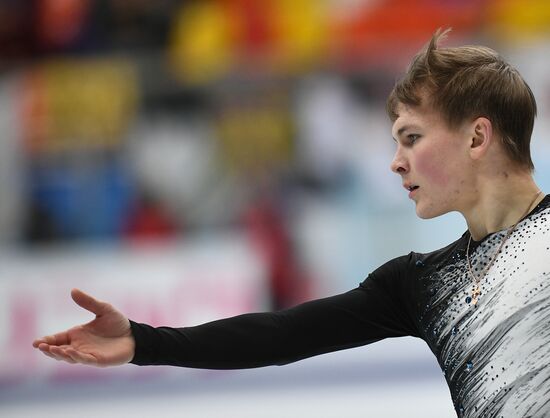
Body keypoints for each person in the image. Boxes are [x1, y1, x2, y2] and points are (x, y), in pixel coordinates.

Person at [32, 29, 550, 417]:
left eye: (411, 138)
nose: (395, 161)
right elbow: (280, 335)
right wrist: (145, 343)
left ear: (477, 139)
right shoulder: (419, 284)